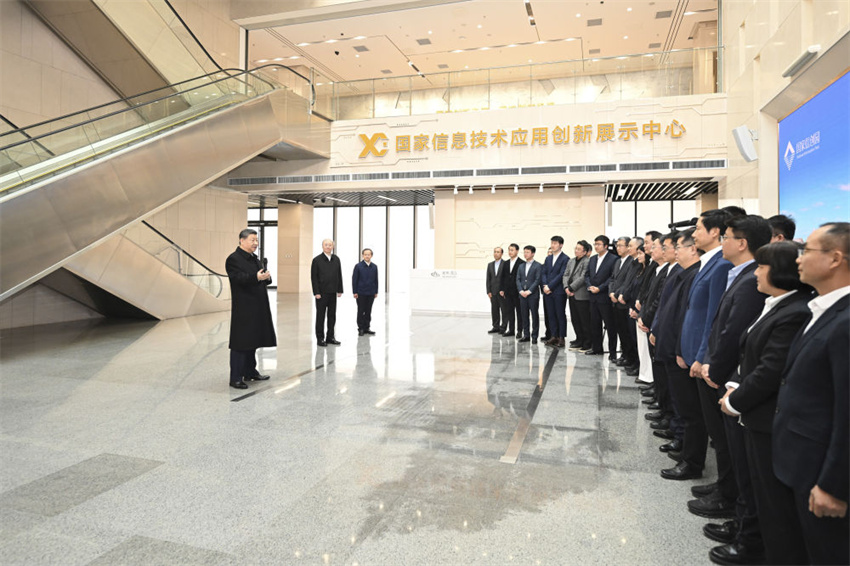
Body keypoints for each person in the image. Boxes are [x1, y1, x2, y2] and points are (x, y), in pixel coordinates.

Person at [716, 242, 813, 565]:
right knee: (755, 486)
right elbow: (751, 355)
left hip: (765, 416)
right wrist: (734, 383)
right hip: (752, 410)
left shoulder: (796, 310)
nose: (755, 273)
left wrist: (736, 400)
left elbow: (770, 369)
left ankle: (755, 545)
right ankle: (750, 536)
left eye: (761, 267)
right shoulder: (777, 304)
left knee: (772, 500)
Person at [694, 215, 772, 564]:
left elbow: (735, 334)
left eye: (726, 236)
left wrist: (718, 369)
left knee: (741, 458)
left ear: (742, 242)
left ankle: (743, 527)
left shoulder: (750, 281)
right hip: (724, 375)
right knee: (729, 450)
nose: (723, 242)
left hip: (732, 381)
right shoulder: (739, 275)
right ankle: (733, 507)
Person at [772, 222, 849, 565]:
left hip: (822, 473)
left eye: (807, 251)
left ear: (835, 258)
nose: (798, 259)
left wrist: (835, 484)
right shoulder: (822, 309)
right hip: (801, 462)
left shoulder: (845, 322)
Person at [653, 229, 705, 481]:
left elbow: (688, 317)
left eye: (677, 247)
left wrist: (680, 350)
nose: (672, 251)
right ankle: (683, 445)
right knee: (681, 403)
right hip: (671, 347)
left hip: (680, 351)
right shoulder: (682, 274)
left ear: (691, 249)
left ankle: (691, 459)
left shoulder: (695, 275)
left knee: (689, 409)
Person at [225, 229, 276, 389]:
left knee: (253, 341)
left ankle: (250, 371)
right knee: (241, 342)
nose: (255, 243)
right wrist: (255, 277)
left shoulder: (255, 259)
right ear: (242, 240)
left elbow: (262, 278)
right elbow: (237, 278)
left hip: (258, 305)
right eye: (252, 240)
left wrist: (266, 277)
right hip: (244, 307)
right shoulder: (233, 259)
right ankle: (235, 377)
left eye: (256, 240)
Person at [585, 235, 618, 357]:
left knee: (610, 325)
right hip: (593, 297)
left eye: (598, 244)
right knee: (594, 324)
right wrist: (590, 286)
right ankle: (596, 348)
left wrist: (600, 288)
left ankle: (613, 352)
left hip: (605, 297)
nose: (596, 246)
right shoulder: (593, 259)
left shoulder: (613, 259)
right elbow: (587, 275)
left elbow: (612, 277)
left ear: (605, 246)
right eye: (595, 244)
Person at [311, 239, 343, 347]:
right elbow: (314, 278)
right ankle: (320, 338)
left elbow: (339, 275)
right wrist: (316, 292)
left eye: (330, 245)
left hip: (333, 292)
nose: (328, 246)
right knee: (320, 316)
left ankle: (330, 337)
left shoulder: (336, 259)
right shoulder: (317, 260)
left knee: (332, 316)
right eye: (326, 245)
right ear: (322, 246)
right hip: (321, 293)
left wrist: (340, 289)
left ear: (333, 246)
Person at [541, 236, 569, 348]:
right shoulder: (548, 258)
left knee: (560, 314)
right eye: (552, 243)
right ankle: (553, 336)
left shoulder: (565, 259)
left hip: (558, 291)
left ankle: (561, 337)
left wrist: (550, 286)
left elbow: (561, 274)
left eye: (555, 243)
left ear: (561, 245)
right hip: (547, 291)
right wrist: (545, 285)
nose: (553, 245)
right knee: (551, 315)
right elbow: (544, 273)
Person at [564, 240, 591, 351]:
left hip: (581, 294)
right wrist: (566, 288)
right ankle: (579, 339)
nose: (576, 251)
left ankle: (587, 342)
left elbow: (583, 277)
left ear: (584, 252)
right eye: (576, 248)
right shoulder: (571, 261)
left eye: (579, 249)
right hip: (571, 295)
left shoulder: (587, 261)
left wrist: (571, 287)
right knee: (575, 319)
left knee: (584, 320)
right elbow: (565, 275)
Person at [516, 245, 542, 343]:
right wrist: (521, 291)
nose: (525, 254)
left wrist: (529, 291)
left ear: (533, 253)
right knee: (524, 315)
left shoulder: (538, 265)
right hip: (522, 295)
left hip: (533, 295)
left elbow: (537, 280)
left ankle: (534, 336)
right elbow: (518, 279)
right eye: (524, 252)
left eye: (527, 252)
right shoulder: (521, 266)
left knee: (534, 315)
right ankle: (526, 335)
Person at [352, 248, 379, 337]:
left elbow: (376, 280)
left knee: (368, 311)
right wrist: (355, 291)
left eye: (369, 254)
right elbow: (354, 279)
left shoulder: (374, 267)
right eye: (365, 254)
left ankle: (367, 328)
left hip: (371, 292)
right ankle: (361, 328)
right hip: (361, 292)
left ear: (371, 256)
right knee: (361, 311)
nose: (367, 256)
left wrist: (376, 291)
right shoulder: (358, 266)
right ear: (362, 255)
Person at [486, 247, 509, 334]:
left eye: (498, 252)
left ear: (502, 254)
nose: (496, 253)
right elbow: (488, 279)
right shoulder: (490, 265)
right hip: (493, 292)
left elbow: (506, 279)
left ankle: (503, 327)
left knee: (504, 310)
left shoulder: (505, 264)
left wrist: (504, 290)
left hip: (502, 292)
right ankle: (495, 327)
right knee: (494, 310)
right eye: (495, 252)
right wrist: (488, 291)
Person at [504, 244, 523, 338]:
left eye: (512, 250)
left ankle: (520, 331)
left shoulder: (521, 263)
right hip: (508, 292)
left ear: (517, 251)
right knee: (509, 312)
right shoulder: (505, 263)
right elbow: (503, 277)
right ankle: (511, 330)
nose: (510, 252)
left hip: (518, 292)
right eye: (509, 250)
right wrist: (502, 289)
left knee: (519, 312)